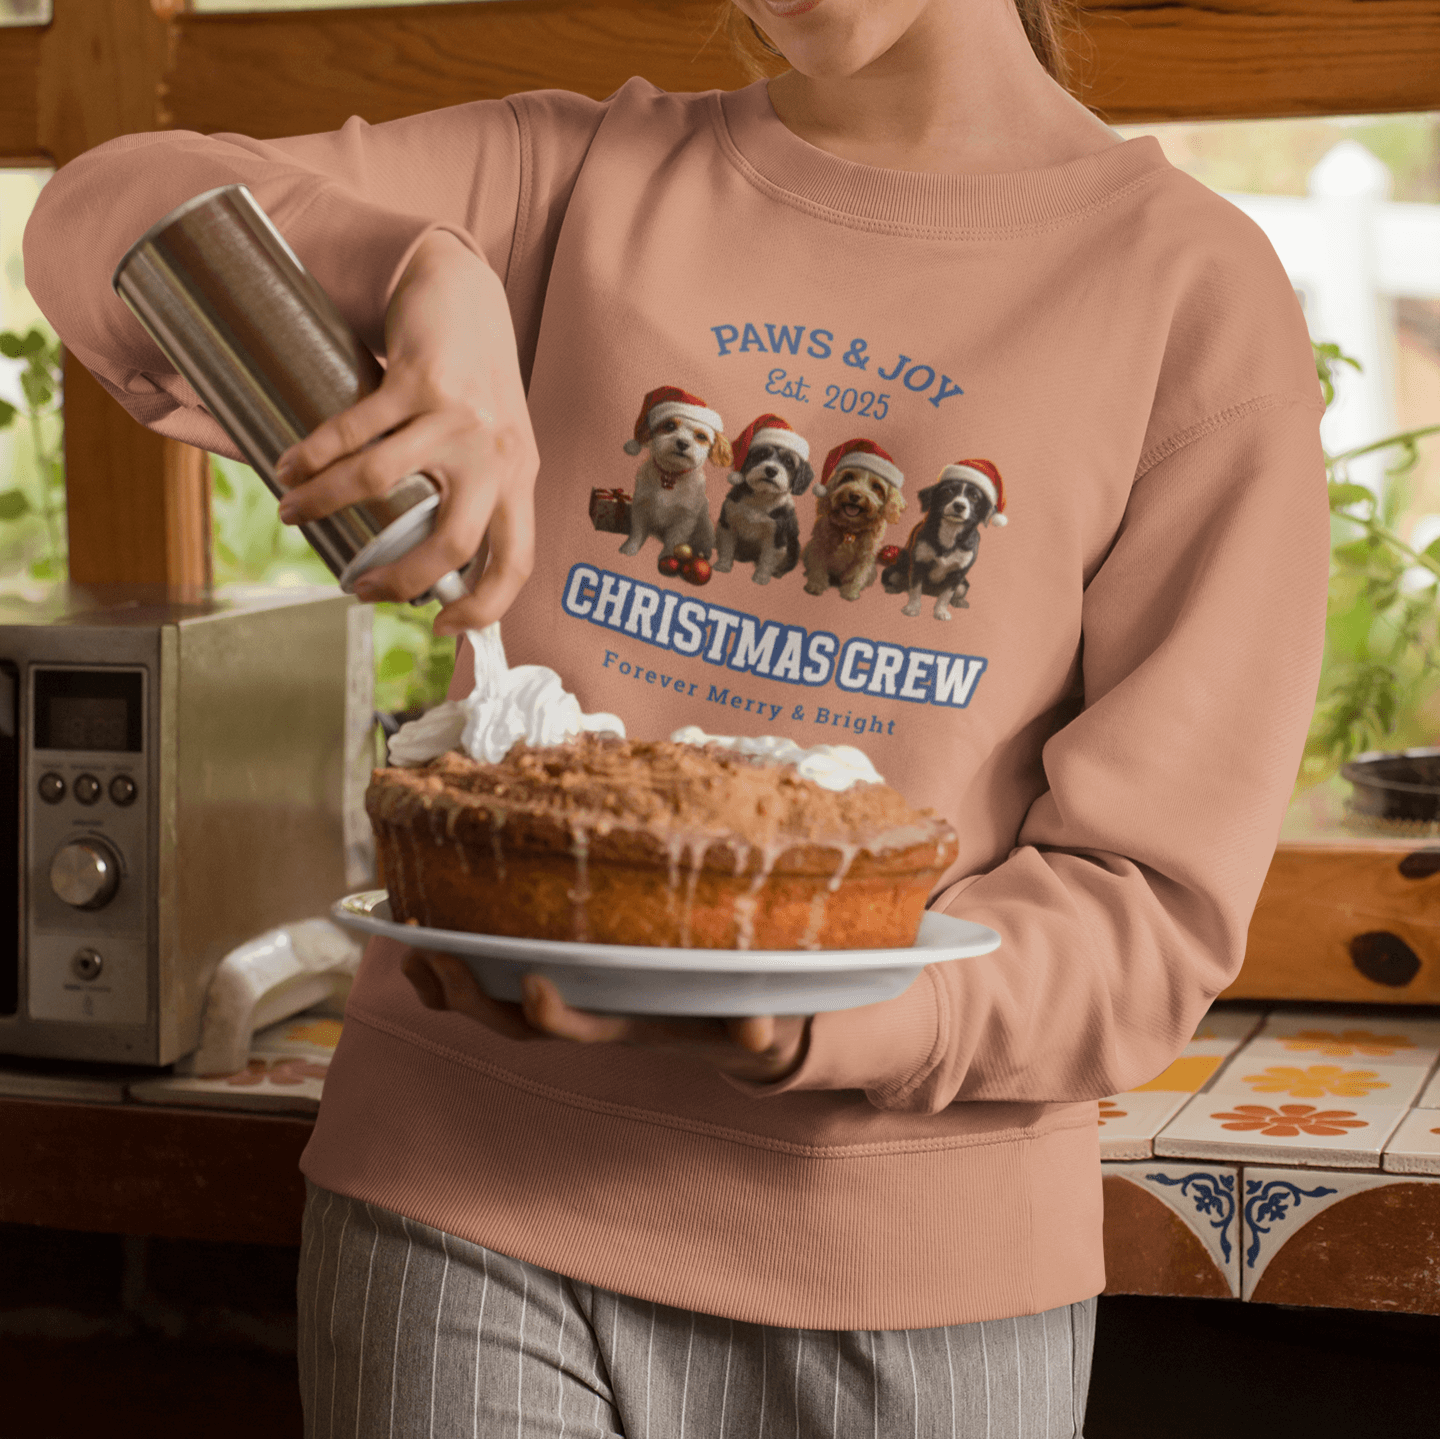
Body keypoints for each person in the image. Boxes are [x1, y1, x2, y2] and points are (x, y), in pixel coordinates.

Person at [25, 0, 1329, 1432]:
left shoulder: (1191, 294)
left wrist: (847, 1003)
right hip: (462, 1220)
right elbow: (100, 212)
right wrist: (418, 266)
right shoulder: (565, 182)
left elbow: (1146, 902)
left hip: (921, 1285)